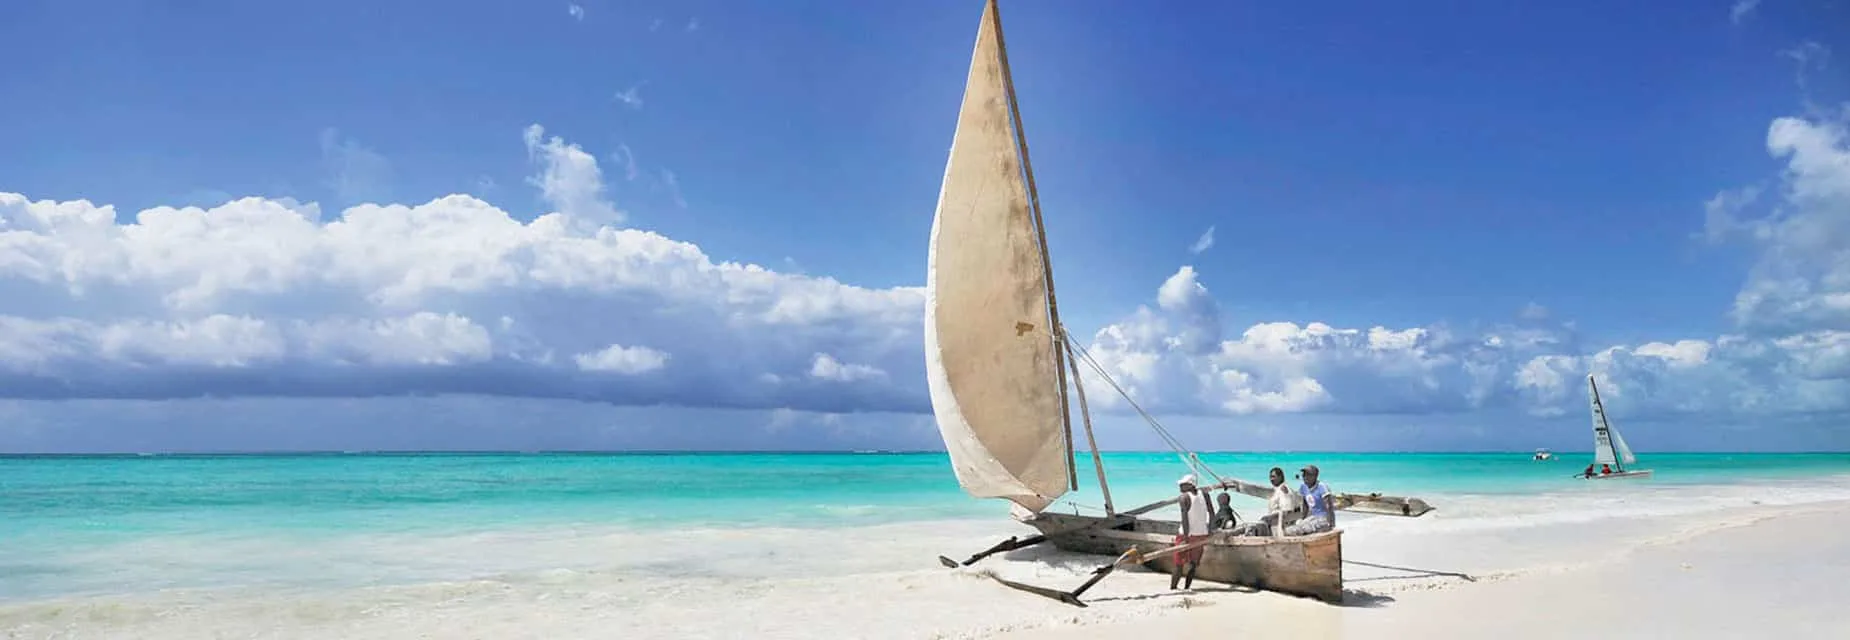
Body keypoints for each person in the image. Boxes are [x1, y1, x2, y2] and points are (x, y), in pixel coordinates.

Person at [1232, 467, 1300, 537]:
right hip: (1273, 524)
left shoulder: (1284, 489)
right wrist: (1236, 486)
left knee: (1251, 527)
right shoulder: (1277, 490)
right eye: (1270, 477)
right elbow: (1258, 490)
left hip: (1279, 526)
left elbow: (1286, 511)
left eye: (1273, 476)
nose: (1271, 479)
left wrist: (1267, 518)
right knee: (1247, 527)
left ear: (1280, 477)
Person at [1171, 474, 1212, 590]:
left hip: (1186, 535)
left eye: (1182, 484)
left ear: (1190, 485)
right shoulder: (1205, 494)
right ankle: (1187, 587)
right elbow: (1212, 513)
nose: (1180, 486)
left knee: (1178, 564)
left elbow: (1185, 520)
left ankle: (1173, 588)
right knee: (1193, 564)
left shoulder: (1183, 497)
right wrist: (1209, 530)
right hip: (1201, 535)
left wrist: (1185, 538)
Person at [1284, 464, 1334, 536]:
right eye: (1303, 475)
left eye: (1307, 475)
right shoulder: (1303, 487)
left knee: (1299, 529)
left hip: (1323, 518)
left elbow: (1329, 506)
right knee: (1296, 525)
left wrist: (1331, 524)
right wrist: (1303, 519)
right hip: (1313, 516)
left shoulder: (1322, 487)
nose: (1304, 477)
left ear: (1315, 476)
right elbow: (1305, 504)